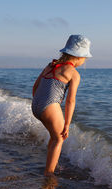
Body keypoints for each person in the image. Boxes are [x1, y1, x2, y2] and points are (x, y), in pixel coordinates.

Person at [32, 35, 92, 177]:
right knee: (60, 138)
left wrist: (39, 104)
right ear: (78, 57)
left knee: (54, 137)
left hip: (36, 105)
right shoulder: (73, 73)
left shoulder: (50, 65)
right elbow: (70, 101)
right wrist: (67, 124)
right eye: (85, 58)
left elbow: (36, 86)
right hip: (50, 106)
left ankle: (51, 163)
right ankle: (49, 174)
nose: (84, 61)